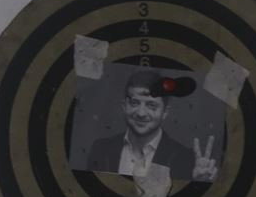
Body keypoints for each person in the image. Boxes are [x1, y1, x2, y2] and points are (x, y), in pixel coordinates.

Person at [86, 69, 218, 182]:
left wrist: (197, 184)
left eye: (151, 105)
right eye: (134, 103)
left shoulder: (185, 160)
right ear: (124, 106)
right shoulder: (100, 149)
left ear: (165, 112)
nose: (141, 113)